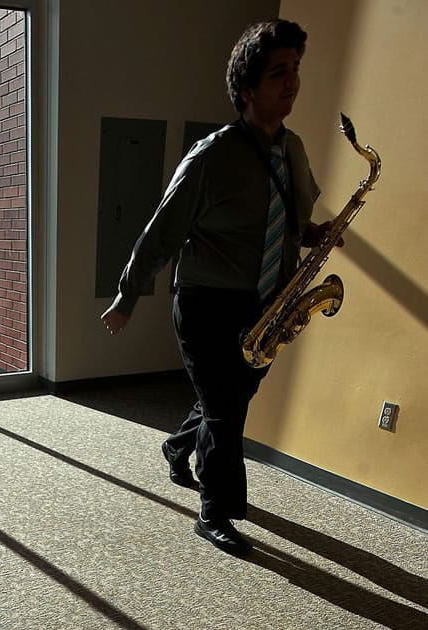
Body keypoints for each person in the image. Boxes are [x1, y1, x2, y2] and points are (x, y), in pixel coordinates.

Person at [101, 19, 339, 557]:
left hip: (268, 302)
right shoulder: (211, 155)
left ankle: (176, 446)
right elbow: (159, 234)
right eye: (279, 72)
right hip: (208, 302)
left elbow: (295, 224)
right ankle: (214, 511)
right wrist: (127, 296)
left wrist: (318, 235)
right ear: (248, 88)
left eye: (296, 69)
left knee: (225, 401)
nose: (292, 81)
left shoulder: (294, 150)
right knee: (228, 412)